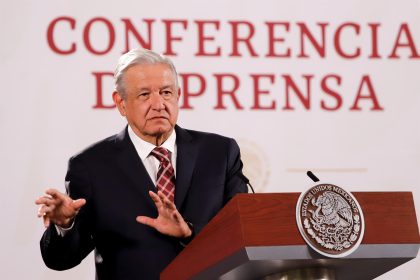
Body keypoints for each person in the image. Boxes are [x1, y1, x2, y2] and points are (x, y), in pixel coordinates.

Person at [35, 48, 248, 280]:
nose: (158, 104)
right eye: (144, 95)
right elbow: (61, 260)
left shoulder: (220, 153)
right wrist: (65, 225)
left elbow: (243, 232)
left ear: (179, 95)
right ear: (121, 103)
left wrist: (189, 232)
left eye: (166, 92)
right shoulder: (91, 166)